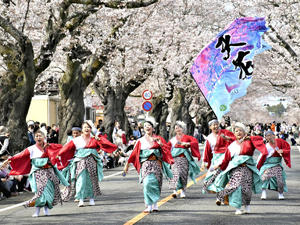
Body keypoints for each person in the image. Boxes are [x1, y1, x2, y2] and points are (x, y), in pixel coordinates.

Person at [6, 130, 69, 217]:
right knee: (40, 192)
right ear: (34, 138)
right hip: (38, 172)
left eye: (40, 136)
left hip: (49, 172)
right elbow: (20, 155)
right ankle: (37, 211)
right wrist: (10, 159)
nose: (38, 137)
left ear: (44, 137)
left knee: (49, 192)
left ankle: (46, 209)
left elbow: (61, 150)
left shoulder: (50, 147)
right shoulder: (31, 148)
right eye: (36, 136)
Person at [57, 121, 118, 207]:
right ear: (82, 130)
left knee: (92, 180)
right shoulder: (76, 140)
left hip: (92, 161)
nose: (86, 129)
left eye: (88, 127)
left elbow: (105, 144)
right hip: (80, 161)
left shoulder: (94, 139)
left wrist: (99, 138)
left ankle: (91, 198)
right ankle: (81, 199)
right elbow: (66, 148)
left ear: (90, 129)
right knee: (81, 180)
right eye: (85, 127)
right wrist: (58, 154)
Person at [213, 122, 268, 215]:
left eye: (240, 130)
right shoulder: (233, 145)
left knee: (246, 189)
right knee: (236, 186)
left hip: (248, 168)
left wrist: (251, 137)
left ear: (244, 132)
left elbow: (261, 142)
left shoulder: (250, 140)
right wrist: (219, 165)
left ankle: (247, 206)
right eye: (236, 131)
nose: (238, 132)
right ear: (234, 133)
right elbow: (226, 158)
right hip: (236, 168)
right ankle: (236, 207)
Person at [123, 117, 174, 213]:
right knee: (146, 183)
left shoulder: (159, 139)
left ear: (153, 128)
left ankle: (155, 204)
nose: (147, 127)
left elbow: (167, 150)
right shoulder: (140, 141)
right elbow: (134, 153)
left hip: (156, 163)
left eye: (149, 125)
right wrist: (127, 164)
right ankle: (148, 205)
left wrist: (161, 145)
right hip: (146, 164)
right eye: (145, 126)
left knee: (156, 184)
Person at [168, 121, 201, 198]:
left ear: (183, 129)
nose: (177, 129)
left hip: (184, 158)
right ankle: (175, 191)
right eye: (176, 128)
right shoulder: (173, 139)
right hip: (174, 158)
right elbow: (167, 147)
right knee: (175, 173)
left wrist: (188, 144)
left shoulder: (187, 137)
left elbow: (195, 142)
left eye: (179, 127)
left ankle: (182, 190)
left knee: (183, 174)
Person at [201, 119, 235, 194]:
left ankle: (223, 195)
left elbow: (236, 140)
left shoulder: (226, 133)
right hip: (216, 159)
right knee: (211, 176)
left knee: (225, 176)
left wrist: (227, 138)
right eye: (214, 125)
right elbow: (206, 151)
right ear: (210, 127)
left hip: (227, 157)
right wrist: (204, 162)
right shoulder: (209, 138)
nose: (216, 126)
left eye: (217, 124)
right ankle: (220, 193)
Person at [260, 130, 291, 200]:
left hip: (277, 164)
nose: (269, 137)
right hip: (267, 164)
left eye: (270, 135)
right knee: (264, 177)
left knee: (279, 178)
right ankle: (263, 192)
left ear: (274, 135)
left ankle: (280, 193)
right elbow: (262, 156)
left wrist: (283, 151)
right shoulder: (266, 146)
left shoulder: (280, 141)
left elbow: (288, 148)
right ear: (265, 138)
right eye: (267, 136)